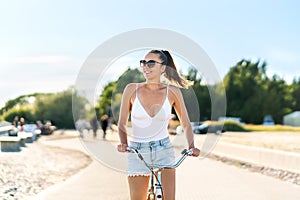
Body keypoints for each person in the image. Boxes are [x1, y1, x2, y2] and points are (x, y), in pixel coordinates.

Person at [117, 49, 200, 199]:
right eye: (143, 63)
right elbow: (122, 124)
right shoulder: (131, 89)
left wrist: (192, 146)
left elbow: (186, 123)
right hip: (137, 151)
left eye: (151, 63)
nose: (145, 67)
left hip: (164, 150)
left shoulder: (172, 91)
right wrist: (123, 143)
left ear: (163, 68)